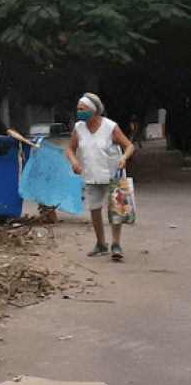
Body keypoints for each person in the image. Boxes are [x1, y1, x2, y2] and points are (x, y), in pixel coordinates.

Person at [66, 92, 135, 261]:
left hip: (113, 172)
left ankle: (116, 244)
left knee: (117, 208)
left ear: (93, 110)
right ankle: (101, 244)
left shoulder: (110, 127)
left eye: (82, 109)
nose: (79, 112)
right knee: (95, 208)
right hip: (91, 173)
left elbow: (129, 146)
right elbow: (70, 149)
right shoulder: (79, 128)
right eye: (78, 109)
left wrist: (124, 158)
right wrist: (74, 161)